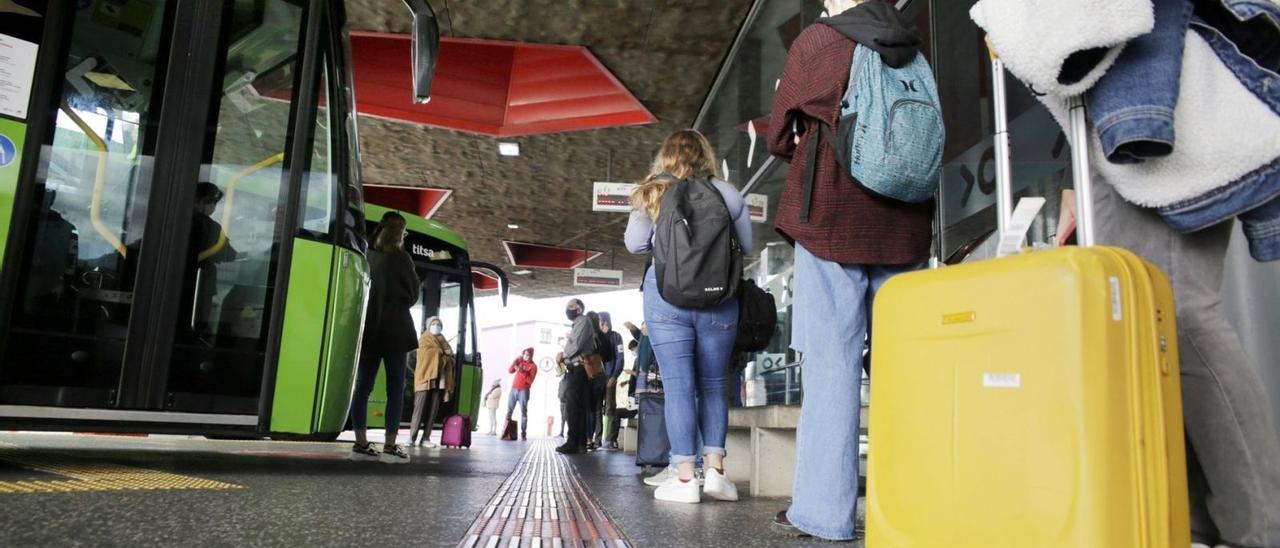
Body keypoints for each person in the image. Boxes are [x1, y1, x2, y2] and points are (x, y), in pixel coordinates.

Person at [765, 0, 934, 539]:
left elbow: (777, 134)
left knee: (832, 366)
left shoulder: (820, 40)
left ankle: (823, 512)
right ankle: (910, 508)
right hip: (903, 227)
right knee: (903, 370)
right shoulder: (912, 46)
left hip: (833, 220)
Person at [1060, 182, 1280, 547]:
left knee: (1175, 314)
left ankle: (1261, 525)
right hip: (1118, 153)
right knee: (1148, 327)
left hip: (1149, 144)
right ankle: (1195, 525)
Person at [624, 129, 753, 504]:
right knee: (714, 385)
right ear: (705, 155)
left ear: (664, 158)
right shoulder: (727, 193)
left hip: (666, 300)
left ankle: (684, 479)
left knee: (679, 387)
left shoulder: (652, 192)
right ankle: (715, 472)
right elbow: (746, 246)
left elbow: (635, 245)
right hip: (719, 300)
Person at [348, 211, 422, 463]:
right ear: (401, 233)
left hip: (369, 329)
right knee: (395, 389)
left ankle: (361, 441)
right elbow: (413, 294)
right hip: (396, 331)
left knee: (362, 388)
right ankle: (390, 444)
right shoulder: (401, 258)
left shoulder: (367, 255)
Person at [557, 298, 597, 454]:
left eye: (571, 306)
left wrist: (563, 355)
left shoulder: (583, 322)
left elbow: (577, 345)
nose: (568, 309)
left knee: (573, 407)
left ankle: (573, 442)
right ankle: (579, 442)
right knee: (578, 407)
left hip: (578, 369)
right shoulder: (578, 324)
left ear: (579, 309)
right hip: (576, 369)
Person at [408, 316, 455, 448]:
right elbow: (426, 355)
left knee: (433, 409)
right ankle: (412, 438)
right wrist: (441, 352)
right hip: (424, 378)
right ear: (428, 326)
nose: (436, 326)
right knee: (419, 408)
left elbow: (451, 358)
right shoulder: (424, 339)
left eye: (439, 324)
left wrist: (446, 357)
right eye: (434, 324)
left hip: (440, 380)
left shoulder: (443, 340)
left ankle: (426, 438)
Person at [593, 313, 625, 450]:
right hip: (596, 378)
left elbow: (620, 358)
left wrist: (614, 376)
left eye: (600, 321)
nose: (599, 323)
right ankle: (597, 439)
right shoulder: (594, 336)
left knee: (610, 408)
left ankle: (610, 440)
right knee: (596, 409)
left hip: (610, 377)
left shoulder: (616, 337)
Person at [584, 311, 611, 451]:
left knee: (588, 409)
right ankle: (592, 439)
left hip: (589, 375)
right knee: (595, 410)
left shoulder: (587, 336)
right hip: (600, 374)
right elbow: (607, 356)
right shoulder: (602, 337)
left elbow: (584, 356)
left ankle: (587, 439)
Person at [507, 347, 538, 440]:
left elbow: (530, 381)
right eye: (524, 354)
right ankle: (506, 432)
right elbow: (510, 371)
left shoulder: (533, 366)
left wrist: (522, 372)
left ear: (531, 356)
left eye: (528, 355)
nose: (526, 356)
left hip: (524, 391)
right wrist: (515, 361)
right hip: (513, 389)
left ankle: (523, 433)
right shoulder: (520, 362)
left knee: (523, 412)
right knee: (509, 411)